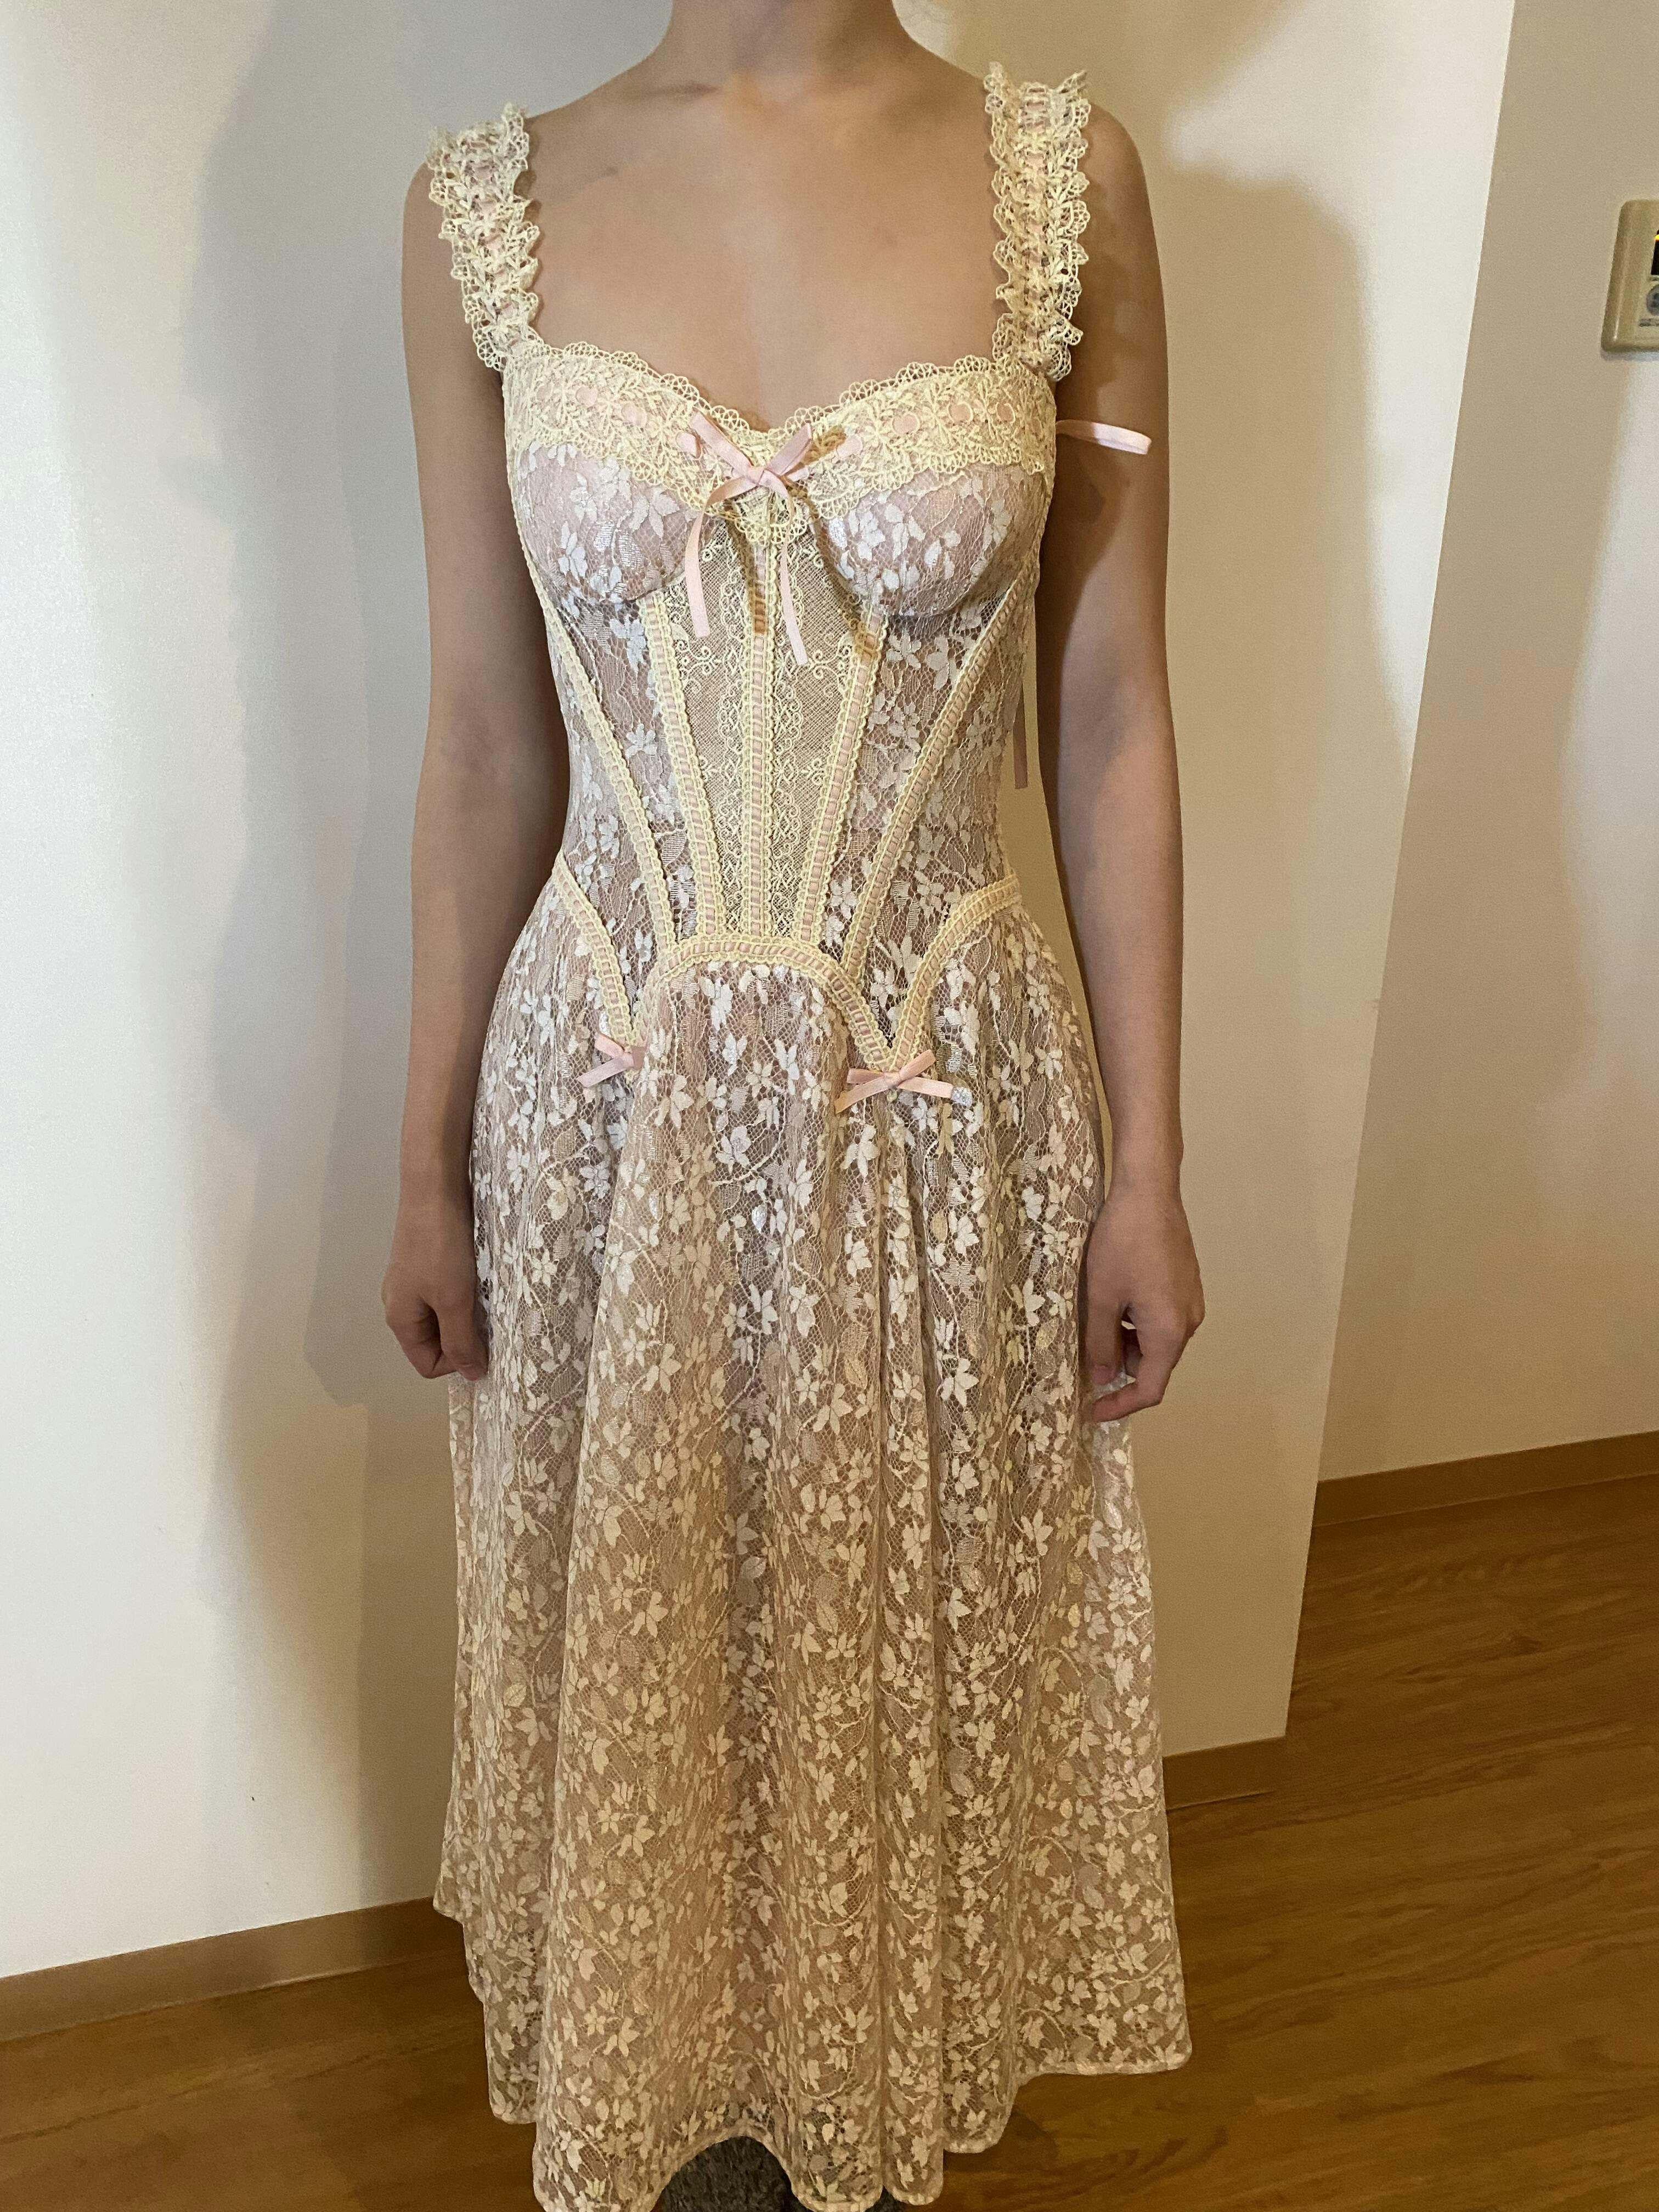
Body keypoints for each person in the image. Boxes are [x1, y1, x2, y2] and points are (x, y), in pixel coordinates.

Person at [385, 5, 1203, 2208]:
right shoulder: (484, 209)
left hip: (942, 1102)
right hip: (607, 1109)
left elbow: (1112, 716)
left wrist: (1153, 1166)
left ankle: (847, 2134)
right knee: (653, 1668)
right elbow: (484, 738)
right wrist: (424, 1158)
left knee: (882, 1676)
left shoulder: (1067, 183)